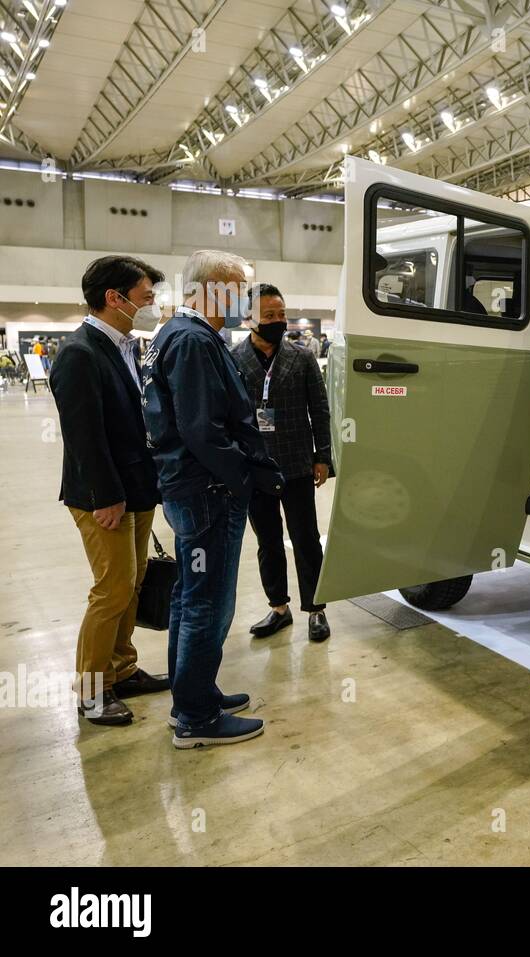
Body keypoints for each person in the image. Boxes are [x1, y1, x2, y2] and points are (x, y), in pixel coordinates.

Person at [142, 250, 284, 749]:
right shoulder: (194, 340)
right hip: (208, 490)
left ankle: (194, 694)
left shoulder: (180, 336)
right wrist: (244, 476)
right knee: (209, 601)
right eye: (237, 287)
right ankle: (196, 719)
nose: (244, 296)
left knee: (189, 594)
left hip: (190, 486)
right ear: (211, 288)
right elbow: (203, 429)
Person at [50, 256, 172, 726]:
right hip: (103, 496)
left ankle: (121, 668)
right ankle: (91, 688)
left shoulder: (125, 346)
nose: (152, 306)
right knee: (112, 588)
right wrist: (105, 497)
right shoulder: (79, 353)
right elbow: (83, 435)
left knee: (134, 583)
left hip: (135, 488)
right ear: (114, 299)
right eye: (145, 298)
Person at [232, 283, 333, 642]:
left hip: (297, 464)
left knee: (306, 538)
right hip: (255, 467)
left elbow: (320, 411)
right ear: (250, 319)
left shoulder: (301, 357)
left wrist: (323, 457)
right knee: (268, 541)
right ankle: (278, 607)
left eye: (281, 314)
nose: (277, 321)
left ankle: (316, 609)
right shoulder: (233, 358)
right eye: (269, 316)